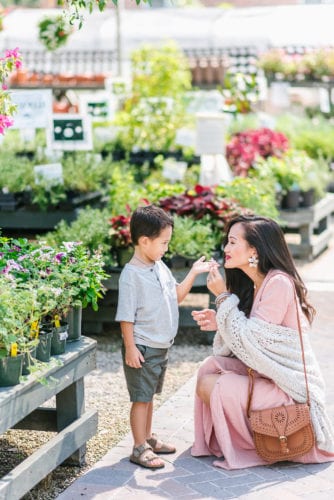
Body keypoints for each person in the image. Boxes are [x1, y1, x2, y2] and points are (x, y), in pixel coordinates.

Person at [191, 214, 334, 470]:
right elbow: (249, 337)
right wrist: (219, 320)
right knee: (209, 368)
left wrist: (223, 298)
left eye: (233, 242)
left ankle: (260, 445)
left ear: (254, 250)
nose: (226, 249)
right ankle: (236, 441)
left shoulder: (278, 283)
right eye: (227, 242)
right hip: (269, 376)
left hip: (290, 390)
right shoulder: (257, 284)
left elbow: (252, 343)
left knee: (216, 385)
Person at [115, 204, 215, 470]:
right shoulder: (130, 276)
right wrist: (130, 348)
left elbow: (176, 296)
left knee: (149, 396)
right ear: (144, 241)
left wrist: (193, 272)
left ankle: (147, 438)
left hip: (161, 347)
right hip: (144, 348)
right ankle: (138, 448)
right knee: (141, 398)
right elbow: (126, 316)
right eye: (164, 243)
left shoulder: (159, 266)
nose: (166, 248)